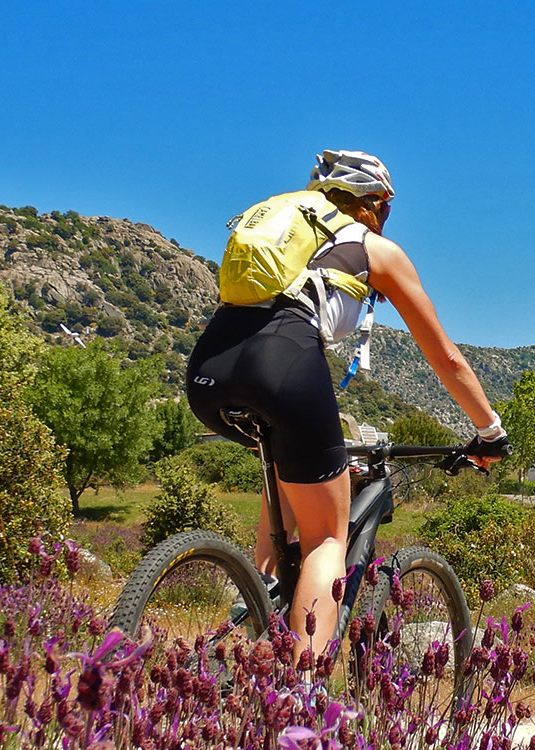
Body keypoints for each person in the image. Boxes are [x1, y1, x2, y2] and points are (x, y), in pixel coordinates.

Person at [186, 149, 508, 658]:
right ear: (373, 203)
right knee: (327, 541)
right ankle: (301, 701)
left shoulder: (296, 232)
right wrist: (490, 431)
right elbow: (445, 357)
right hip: (282, 361)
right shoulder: (374, 248)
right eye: (386, 210)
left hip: (209, 369)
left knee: (291, 499)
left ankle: (257, 620)